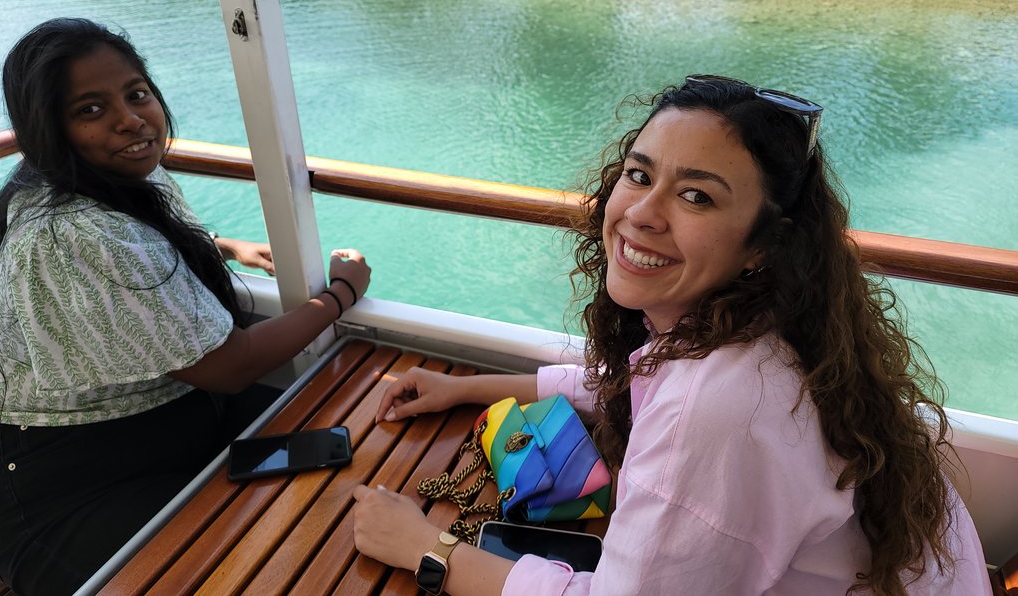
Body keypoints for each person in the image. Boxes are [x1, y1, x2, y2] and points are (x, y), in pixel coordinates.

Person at [350, 75, 991, 595]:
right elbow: (637, 381)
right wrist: (467, 386)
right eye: (639, 175)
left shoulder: (721, 403)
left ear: (763, 244)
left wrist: (427, 549)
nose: (641, 215)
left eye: (697, 198)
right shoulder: (770, 327)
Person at [0, 18, 372, 596]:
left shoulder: (116, 176)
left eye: (136, 93)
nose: (130, 118)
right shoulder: (66, 229)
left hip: (173, 418)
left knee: (345, 459)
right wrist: (341, 294)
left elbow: (135, 253)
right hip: (69, 476)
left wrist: (222, 246)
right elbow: (231, 363)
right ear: (50, 129)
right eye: (91, 110)